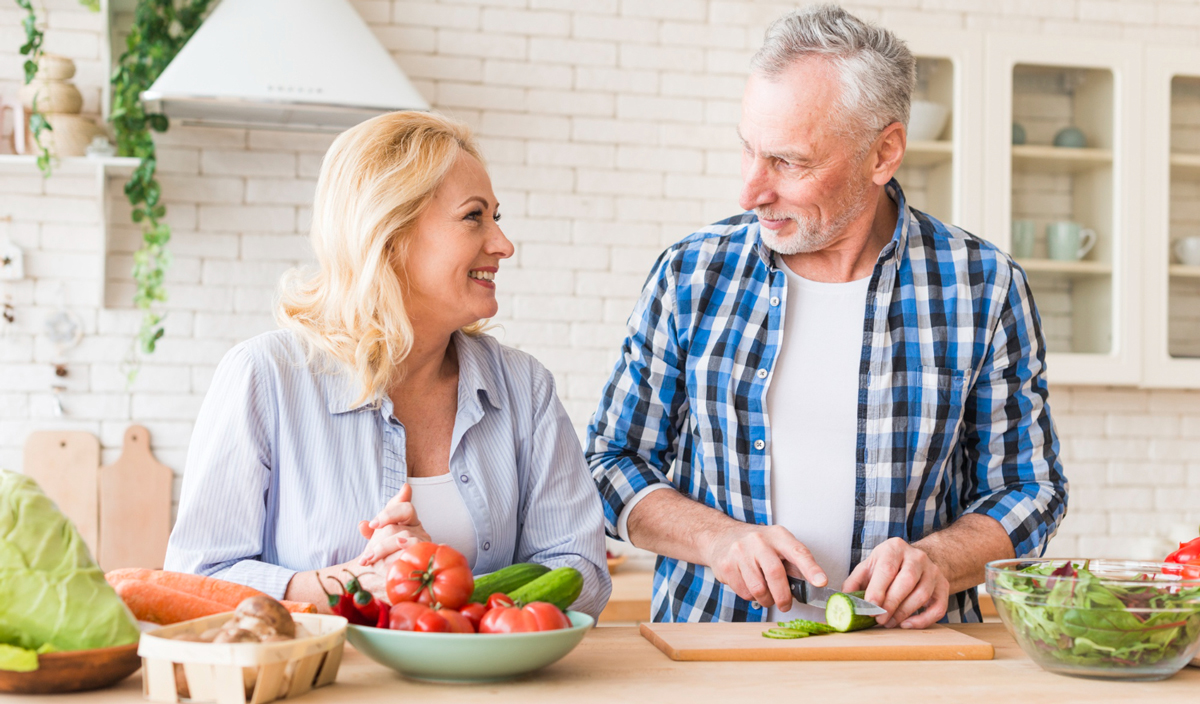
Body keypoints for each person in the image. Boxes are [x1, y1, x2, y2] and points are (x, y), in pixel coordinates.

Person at [587, 4, 1067, 627]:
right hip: (715, 649)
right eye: (748, 151)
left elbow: (1030, 490)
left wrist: (939, 560)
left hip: (912, 662)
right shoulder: (690, 275)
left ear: (883, 153)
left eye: (788, 161)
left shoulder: (983, 285)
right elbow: (610, 463)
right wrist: (715, 538)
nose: (751, 191)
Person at [165, 111, 611, 618]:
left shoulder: (525, 388)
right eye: (474, 217)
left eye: (496, 217)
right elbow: (195, 580)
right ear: (390, 233)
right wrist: (347, 585)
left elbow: (583, 576)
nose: (502, 245)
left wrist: (436, 584)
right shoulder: (264, 377)